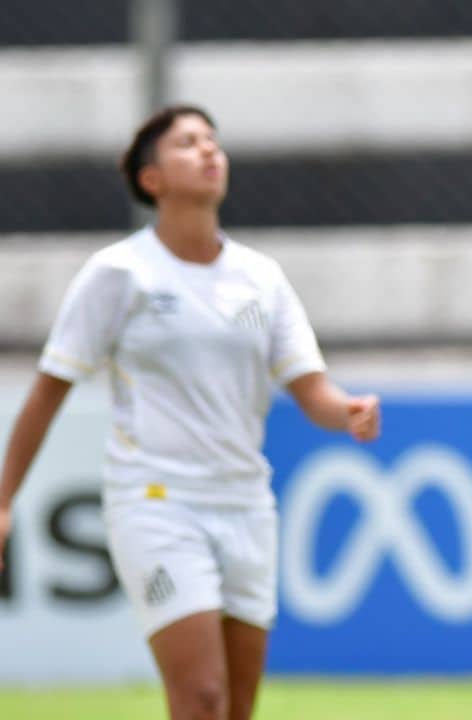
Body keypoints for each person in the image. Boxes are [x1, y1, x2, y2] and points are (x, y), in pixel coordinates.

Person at [0, 105, 381, 720]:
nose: (209, 152)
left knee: (234, 707)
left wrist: (349, 411)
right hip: (156, 506)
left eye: (213, 141)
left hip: (247, 507)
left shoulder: (260, 279)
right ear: (151, 179)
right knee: (200, 699)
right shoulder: (120, 274)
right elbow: (50, 388)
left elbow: (312, 390)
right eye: (187, 144)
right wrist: (3, 500)